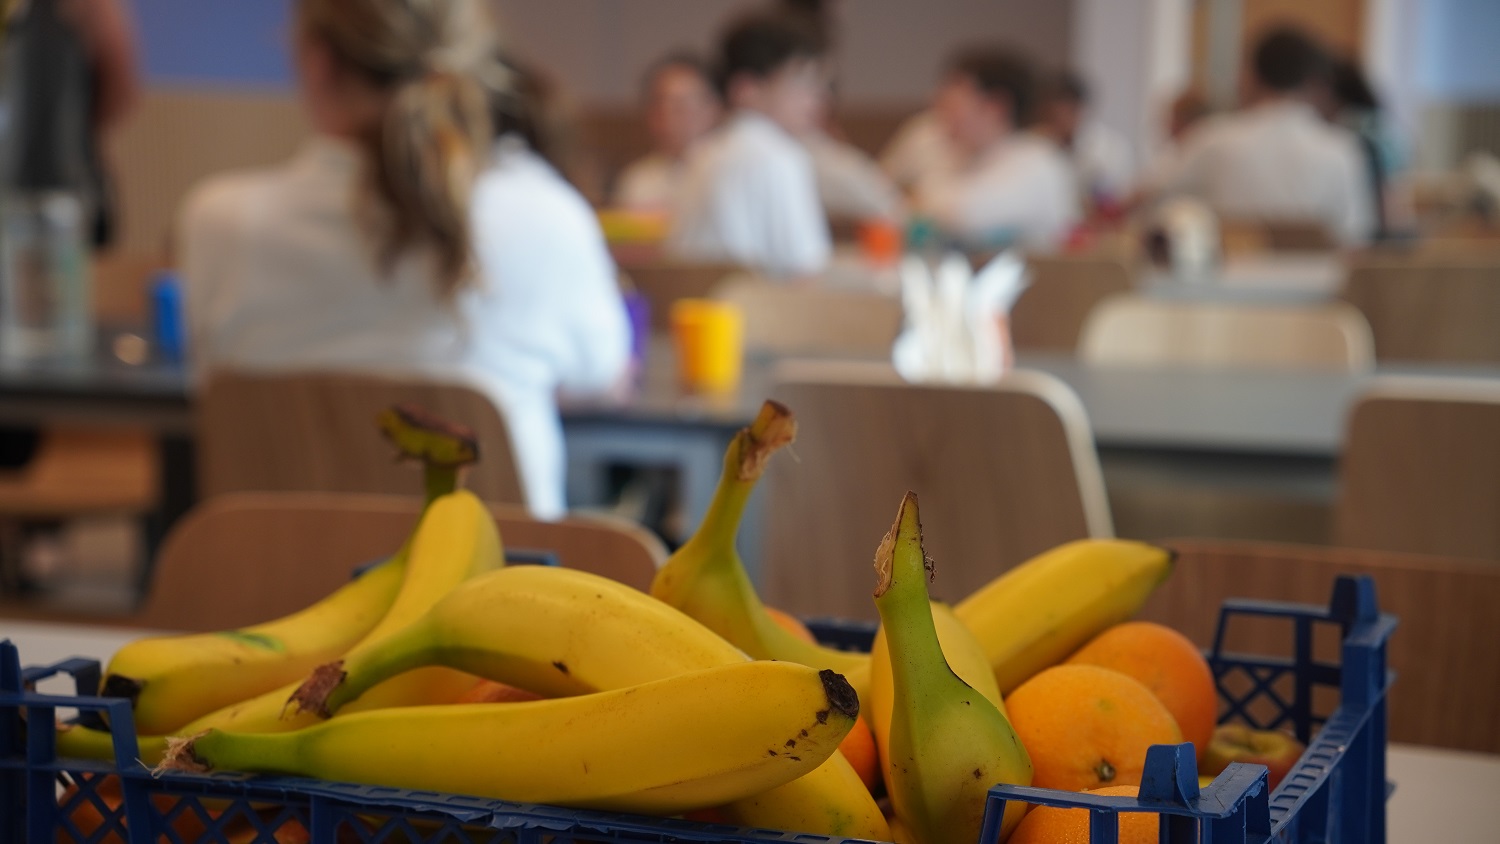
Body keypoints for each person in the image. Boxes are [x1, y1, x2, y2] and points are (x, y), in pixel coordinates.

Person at [180, 0, 630, 520]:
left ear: (318, 62)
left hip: (274, 566)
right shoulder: (548, 214)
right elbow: (603, 379)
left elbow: (206, 382)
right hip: (495, 568)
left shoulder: (220, 223)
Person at [1142, 26, 1373, 246]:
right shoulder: (1343, 151)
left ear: (1251, 75)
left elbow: (1147, 203)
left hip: (1225, 273)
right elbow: (1355, 239)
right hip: (1315, 275)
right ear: (1312, 82)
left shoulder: (1212, 140)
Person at [668, 11, 832, 278]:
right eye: (800, 82)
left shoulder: (702, 152)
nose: (814, 98)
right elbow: (807, 272)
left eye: (818, 85)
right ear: (746, 89)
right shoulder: (781, 156)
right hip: (760, 303)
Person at [910, 46, 1079, 251]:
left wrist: (918, 199)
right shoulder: (975, 159)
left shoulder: (1037, 160)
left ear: (996, 106)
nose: (940, 111)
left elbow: (963, 214)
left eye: (952, 101)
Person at [612, 53, 721, 212]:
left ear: (712, 108)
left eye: (680, 106)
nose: (668, 117)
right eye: (659, 104)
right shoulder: (637, 179)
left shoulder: (728, 171)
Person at [1037, 71, 1134, 211]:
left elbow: (1118, 199)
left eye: (1065, 112)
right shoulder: (1036, 146)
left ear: (1079, 109)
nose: (1058, 121)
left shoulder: (1110, 149)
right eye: (1050, 115)